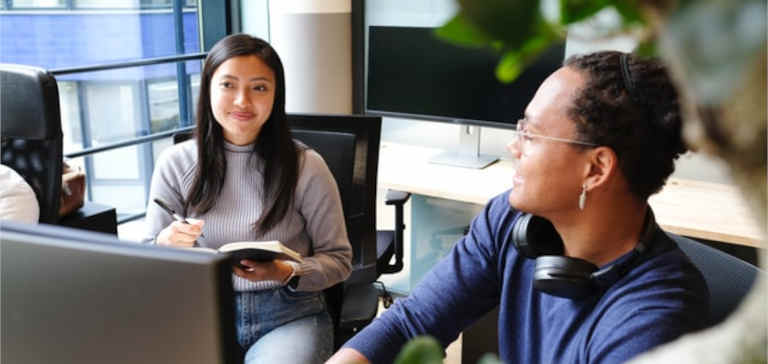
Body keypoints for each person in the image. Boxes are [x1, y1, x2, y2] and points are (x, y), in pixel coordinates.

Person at [327, 51, 709, 364]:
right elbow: (410, 324)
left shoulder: (655, 322)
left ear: (596, 169)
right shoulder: (511, 223)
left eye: (531, 133)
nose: (514, 147)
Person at [144, 34, 352, 364]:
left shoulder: (306, 166)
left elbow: (339, 260)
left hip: (288, 314)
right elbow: (145, 259)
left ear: (275, 96)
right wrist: (164, 243)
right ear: (209, 89)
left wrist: (285, 271)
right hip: (199, 313)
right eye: (228, 85)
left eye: (259, 87)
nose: (242, 101)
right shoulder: (175, 163)